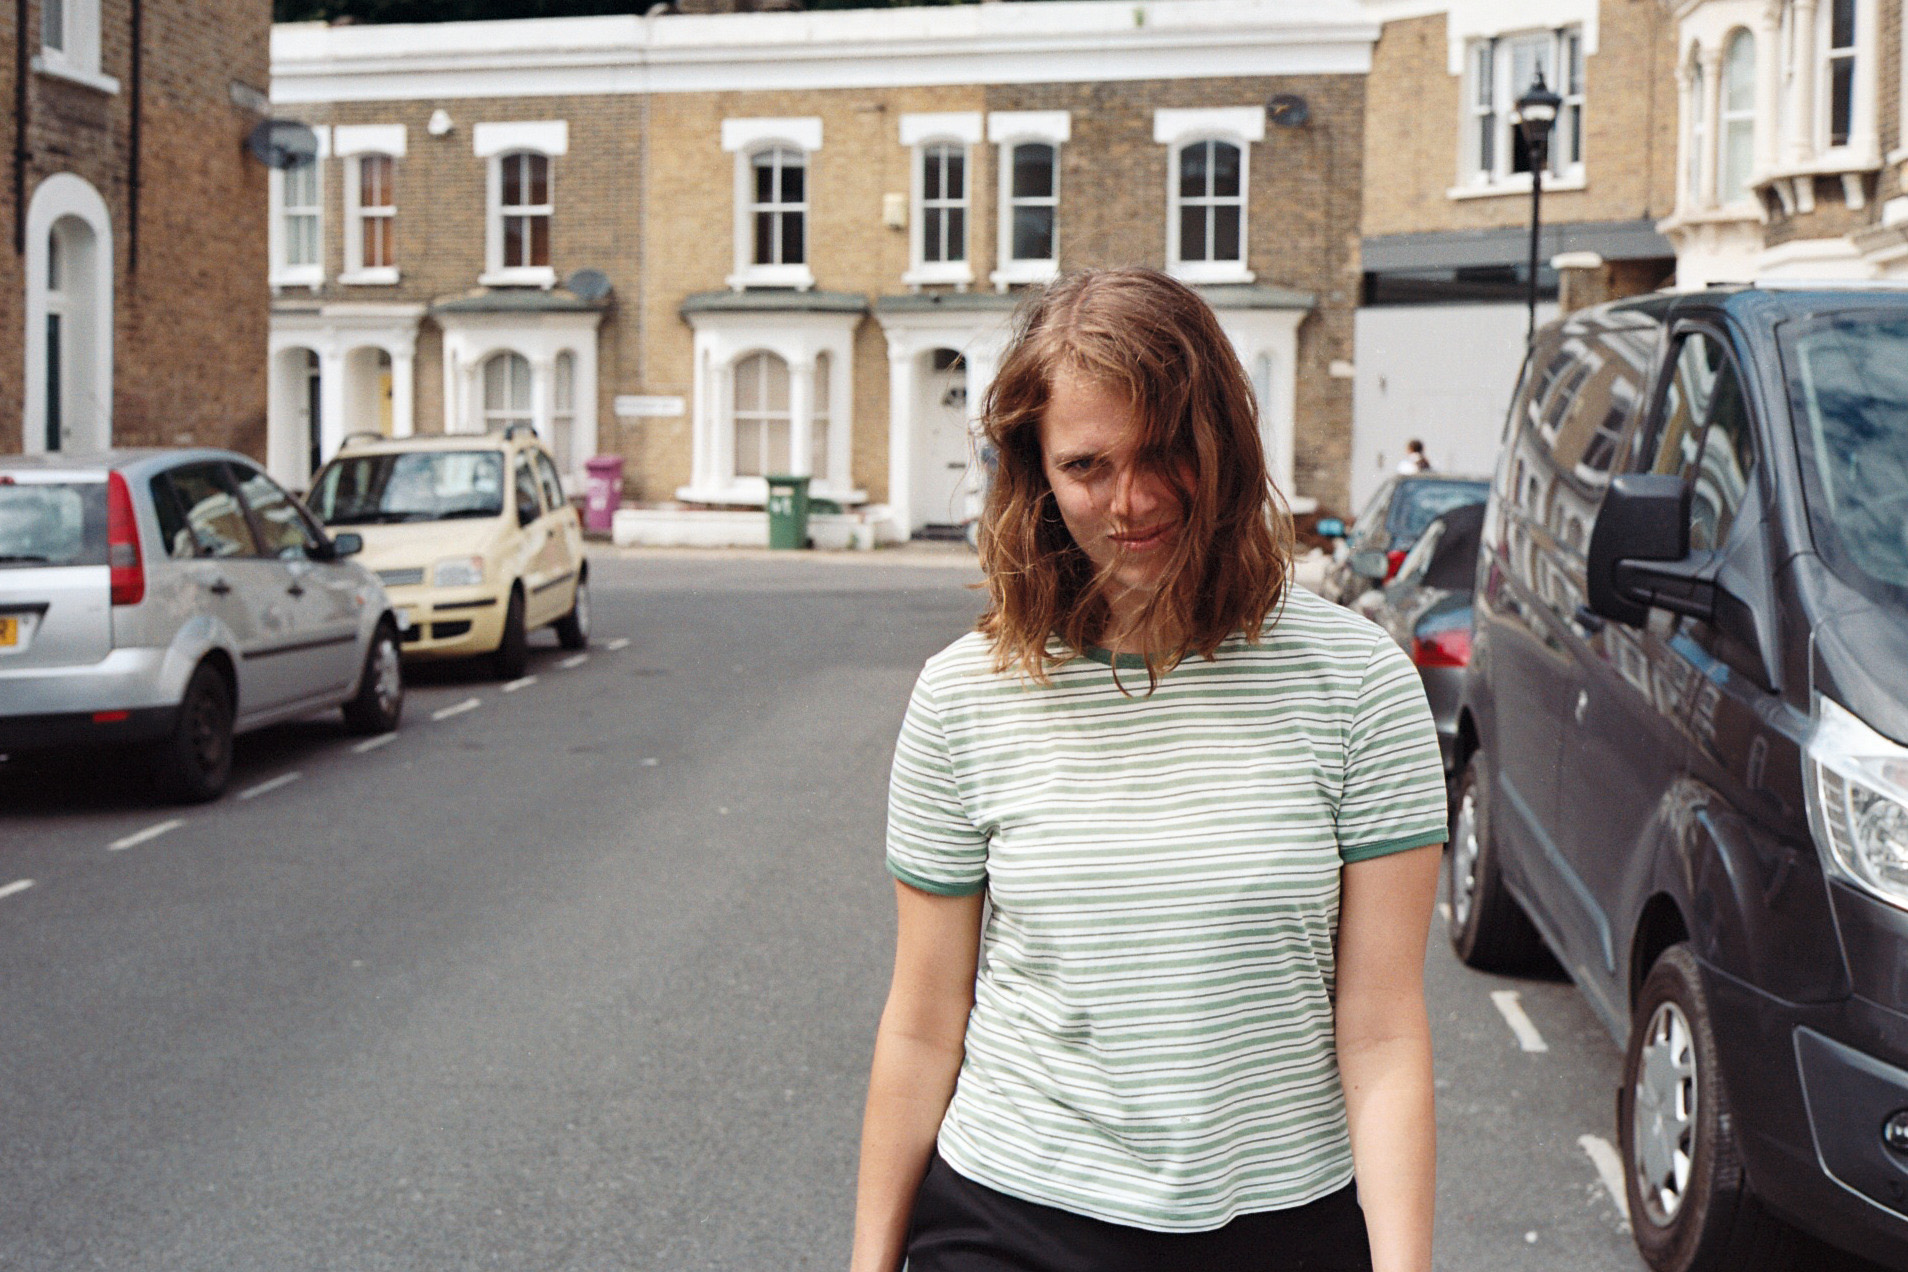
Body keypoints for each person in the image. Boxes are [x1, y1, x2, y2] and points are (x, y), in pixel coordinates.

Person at [850, 268, 1448, 1272]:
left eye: (1166, 452)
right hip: (1011, 1215)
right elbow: (921, 1021)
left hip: (1278, 1222)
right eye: (1087, 465)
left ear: (1223, 442)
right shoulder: (964, 697)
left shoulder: (1359, 685)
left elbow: (1384, 1031)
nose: (1132, 502)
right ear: (1035, 475)